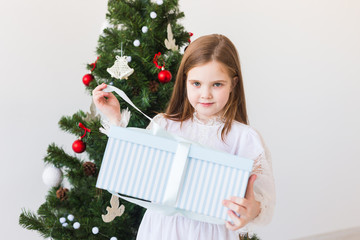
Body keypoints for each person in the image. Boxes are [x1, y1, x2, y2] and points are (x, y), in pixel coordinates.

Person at [93, 34, 275, 240]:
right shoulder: (165, 124)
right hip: (161, 231)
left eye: (217, 84)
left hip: (211, 234)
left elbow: (264, 201)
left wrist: (251, 210)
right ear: (185, 80)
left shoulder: (244, 138)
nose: (205, 94)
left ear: (233, 84)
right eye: (196, 83)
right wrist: (115, 118)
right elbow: (129, 169)